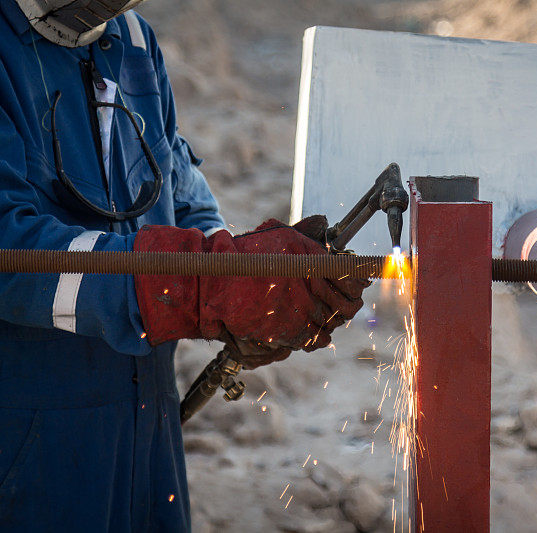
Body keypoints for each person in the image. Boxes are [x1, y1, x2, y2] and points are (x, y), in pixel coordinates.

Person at [0, 1, 366, 530]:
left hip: (148, 428)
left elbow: (176, 185)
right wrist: (197, 289)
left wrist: (240, 280)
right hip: (30, 441)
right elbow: (12, 251)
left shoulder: (132, 41)